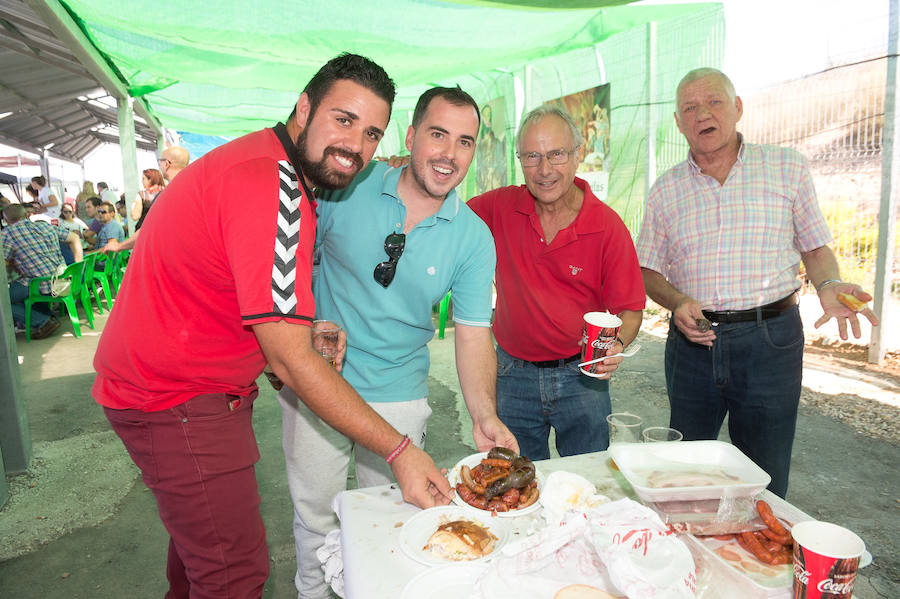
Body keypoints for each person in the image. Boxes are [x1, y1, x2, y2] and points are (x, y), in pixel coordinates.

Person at [91, 53, 451, 599]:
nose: (356, 146)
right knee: (233, 577)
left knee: (197, 566)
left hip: (167, 391)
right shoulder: (276, 187)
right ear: (304, 108)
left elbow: (234, 294)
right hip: (179, 403)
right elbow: (288, 361)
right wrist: (400, 452)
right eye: (343, 119)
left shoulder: (264, 163)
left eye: (372, 133)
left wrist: (299, 336)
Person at [279, 86, 518, 599]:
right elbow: (295, 264)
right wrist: (306, 327)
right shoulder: (348, 185)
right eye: (437, 135)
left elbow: (474, 333)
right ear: (410, 137)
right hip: (319, 381)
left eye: (464, 142)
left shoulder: (474, 237)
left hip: (399, 393)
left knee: (394, 518)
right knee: (316, 515)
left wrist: (483, 415)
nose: (449, 154)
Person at [635, 67, 879, 498]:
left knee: (763, 477)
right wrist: (676, 302)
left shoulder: (786, 168)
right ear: (678, 122)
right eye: (689, 108)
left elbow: (817, 249)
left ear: (737, 108)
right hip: (696, 342)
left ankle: (762, 558)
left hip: (771, 341)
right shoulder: (665, 190)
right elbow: (647, 271)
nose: (701, 114)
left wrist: (829, 286)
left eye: (713, 101)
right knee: (687, 472)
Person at [468, 105, 645, 460]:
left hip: (582, 377)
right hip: (511, 374)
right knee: (515, 483)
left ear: (578, 155)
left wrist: (616, 344)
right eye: (532, 156)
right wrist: (404, 173)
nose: (545, 170)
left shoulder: (606, 226)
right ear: (520, 159)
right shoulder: (500, 207)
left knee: (588, 479)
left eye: (556, 154)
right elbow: (442, 211)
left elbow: (630, 309)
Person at [102, 147, 191, 254]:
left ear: (167, 164)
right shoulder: (194, 188)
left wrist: (119, 246)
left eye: (160, 161)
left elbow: (146, 228)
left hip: (172, 255)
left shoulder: (166, 195)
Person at [2, 203, 68, 339]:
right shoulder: (44, 225)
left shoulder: (7, 233)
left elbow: (3, 261)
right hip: (62, 279)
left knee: (3, 299)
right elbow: (73, 237)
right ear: (26, 215)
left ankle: (42, 322)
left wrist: (12, 261)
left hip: (40, 283)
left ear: (6, 220)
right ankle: (46, 316)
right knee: (17, 289)